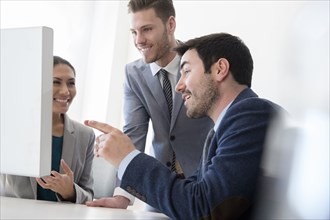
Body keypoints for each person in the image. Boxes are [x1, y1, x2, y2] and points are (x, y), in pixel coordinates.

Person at [85, 32, 285, 219]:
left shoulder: (251, 114)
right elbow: (189, 194)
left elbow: (203, 208)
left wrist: (128, 158)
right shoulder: (223, 128)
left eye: (187, 71)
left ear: (219, 69)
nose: (179, 86)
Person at [85, 0, 213, 209]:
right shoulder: (133, 73)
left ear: (170, 25)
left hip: (204, 185)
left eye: (147, 30)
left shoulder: (202, 63)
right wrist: (122, 196)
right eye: (134, 32)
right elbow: (134, 134)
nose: (139, 40)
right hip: (160, 188)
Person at [0, 56, 95, 204]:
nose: (65, 91)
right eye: (55, 82)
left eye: (71, 83)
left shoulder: (85, 135)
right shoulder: (10, 129)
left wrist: (70, 192)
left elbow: (88, 195)